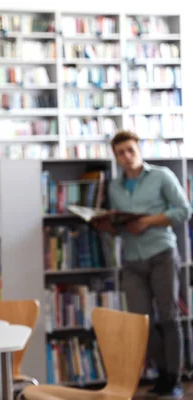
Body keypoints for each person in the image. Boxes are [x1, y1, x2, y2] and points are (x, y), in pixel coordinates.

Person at [93, 130, 191, 398]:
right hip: (132, 260)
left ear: (139, 149)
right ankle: (160, 374)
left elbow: (184, 210)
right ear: (115, 157)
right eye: (120, 153)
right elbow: (122, 225)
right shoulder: (114, 186)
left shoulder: (162, 176)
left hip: (161, 254)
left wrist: (146, 221)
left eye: (129, 150)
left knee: (169, 317)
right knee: (141, 321)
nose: (126, 157)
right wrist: (107, 226)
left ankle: (174, 378)